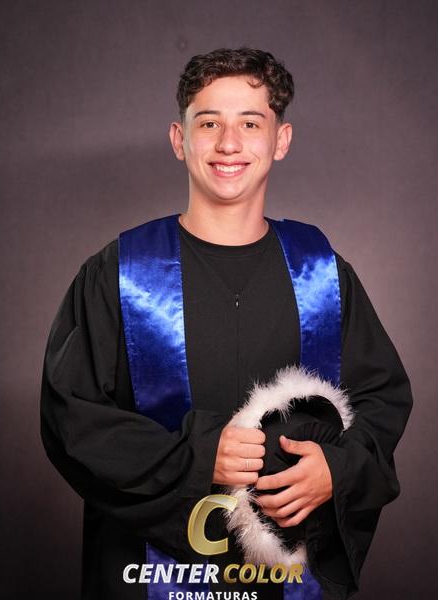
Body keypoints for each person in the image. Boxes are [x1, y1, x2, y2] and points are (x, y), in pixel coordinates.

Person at [40, 47, 413, 600]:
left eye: (251, 123)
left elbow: (382, 399)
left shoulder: (322, 274)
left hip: (285, 575)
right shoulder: (120, 274)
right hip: (150, 577)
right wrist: (198, 457)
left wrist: (337, 470)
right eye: (209, 123)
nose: (229, 144)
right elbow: (71, 416)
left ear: (281, 140)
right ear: (179, 139)